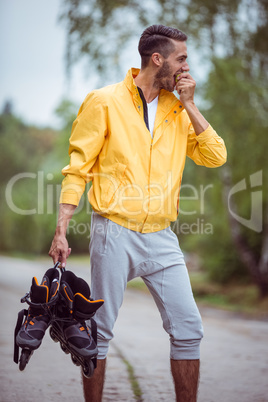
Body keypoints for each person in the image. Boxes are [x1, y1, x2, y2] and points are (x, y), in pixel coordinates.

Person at [49, 24, 227, 401]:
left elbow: (215, 156)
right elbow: (78, 168)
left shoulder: (178, 110)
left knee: (188, 327)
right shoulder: (104, 101)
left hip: (162, 237)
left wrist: (191, 104)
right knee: (97, 331)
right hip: (113, 232)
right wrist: (61, 229)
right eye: (181, 58)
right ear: (157, 59)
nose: (186, 66)